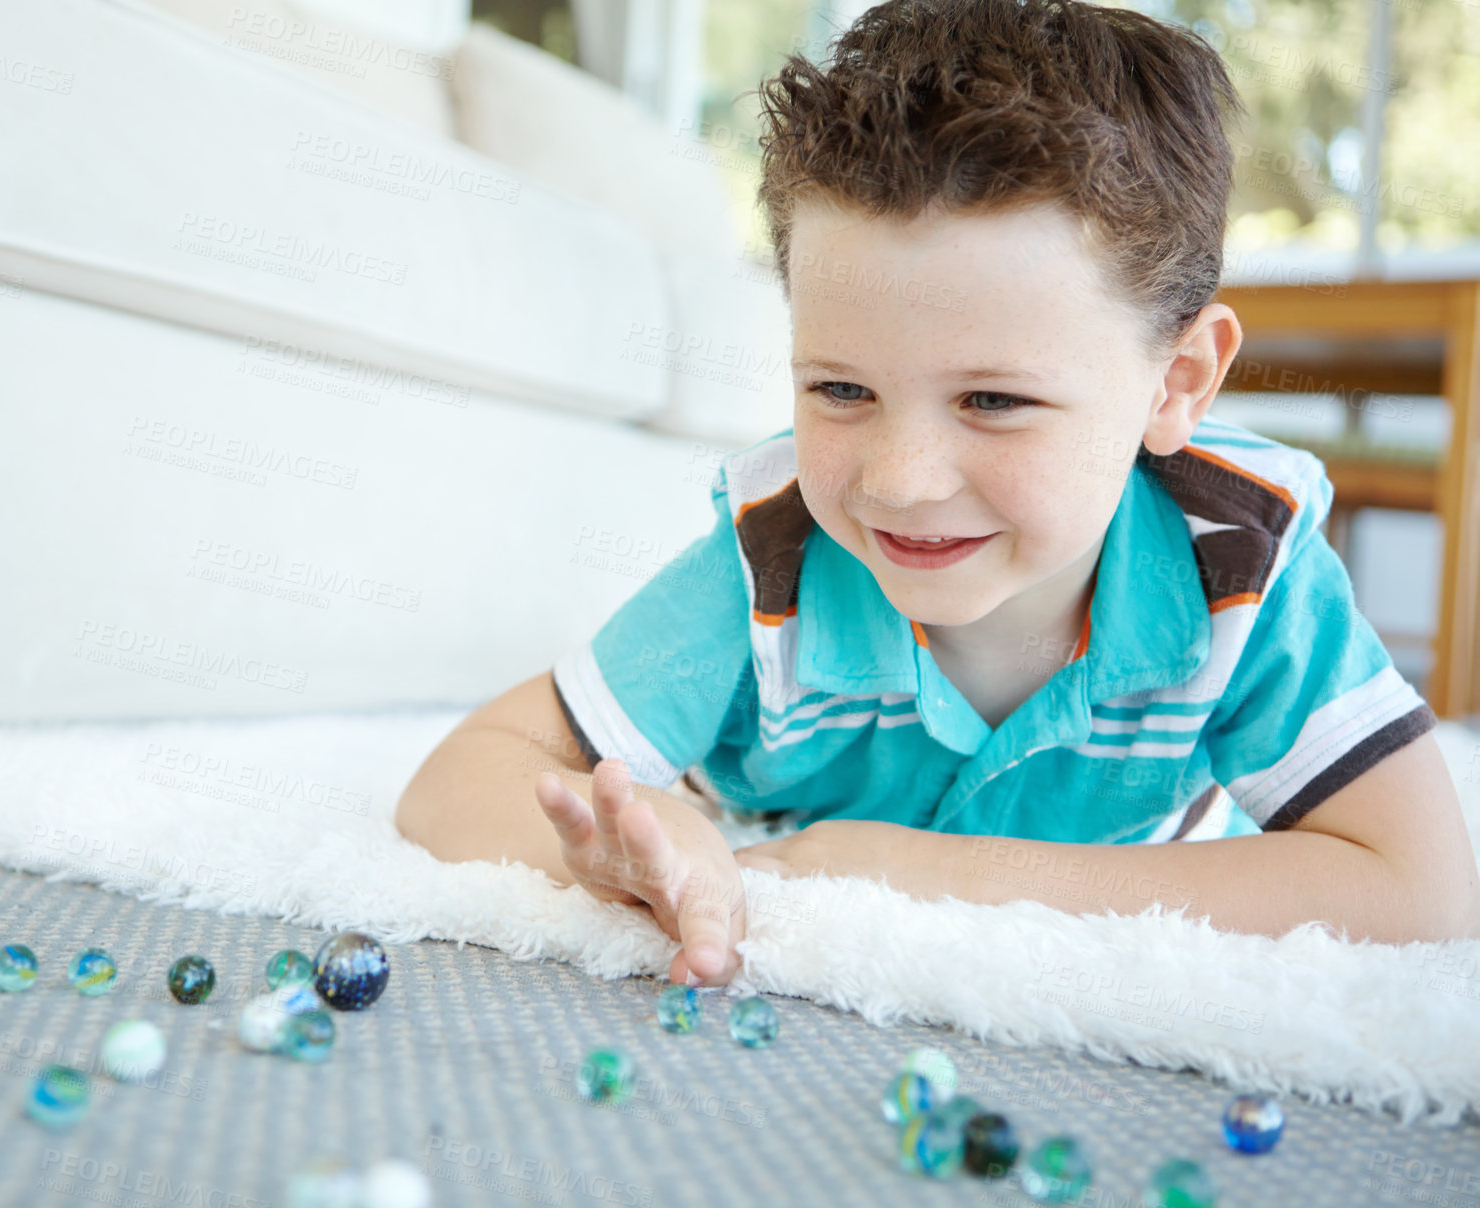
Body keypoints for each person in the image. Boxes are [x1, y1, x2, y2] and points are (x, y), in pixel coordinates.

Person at [397, 0, 1480, 986]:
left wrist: (914, 868)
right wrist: (662, 847)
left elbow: (1421, 892)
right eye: (840, 388)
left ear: (1177, 380)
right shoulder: (771, 565)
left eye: (994, 400)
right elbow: (460, 779)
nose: (898, 482)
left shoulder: (1236, 561)